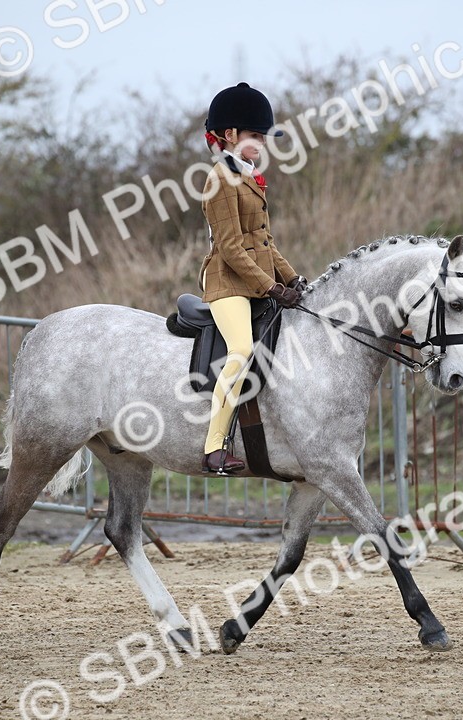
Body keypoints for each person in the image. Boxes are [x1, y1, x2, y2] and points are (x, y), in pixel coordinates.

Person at [198, 82, 307, 474]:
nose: (261, 144)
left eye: (263, 137)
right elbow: (230, 247)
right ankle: (213, 448)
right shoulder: (220, 179)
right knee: (242, 351)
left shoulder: (250, 177)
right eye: (254, 136)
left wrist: (293, 279)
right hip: (227, 282)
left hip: (256, 277)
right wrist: (271, 286)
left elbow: (265, 242)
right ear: (229, 136)